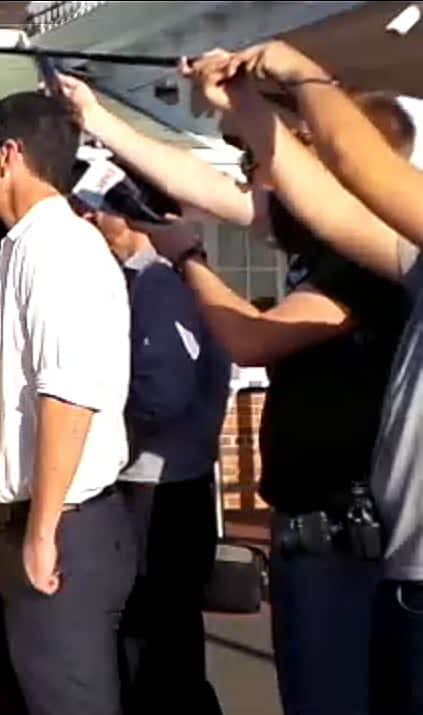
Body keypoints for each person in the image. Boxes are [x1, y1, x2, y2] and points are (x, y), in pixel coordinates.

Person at [59, 69, 414, 715]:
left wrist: (188, 258)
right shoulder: (324, 238)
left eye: (297, 149)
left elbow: (252, 339)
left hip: (340, 535)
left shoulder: (371, 260)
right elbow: (209, 189)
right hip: (314, 532)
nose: (262, 164)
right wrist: (99, 118)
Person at [190, 41, 423, 713]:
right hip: (402, 577)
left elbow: (351, 169)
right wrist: (244, 104)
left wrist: (301, 74)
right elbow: (327, 201)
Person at [0, 91, 135, 715]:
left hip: (62, 527)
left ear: (7, 156)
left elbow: (68, 395)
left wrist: (41, 531)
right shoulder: (26, 247)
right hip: (40, 525)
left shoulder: (57, 248)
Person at [74, 181, 230, 714]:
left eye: (104, 214)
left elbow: (161, 395)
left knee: (157, 647)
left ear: (137, 219)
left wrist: (93, 419)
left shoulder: (160, 285)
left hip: (160, 491)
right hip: (169, 487)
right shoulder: (148, 283)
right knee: (167, 643)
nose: (94, 223)